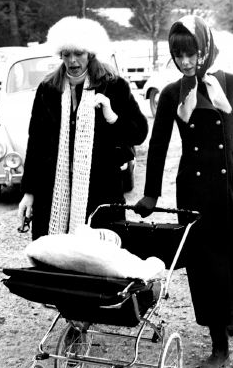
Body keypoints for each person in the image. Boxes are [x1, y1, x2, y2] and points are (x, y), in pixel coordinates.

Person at [135, 15, 233, 368]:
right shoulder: (173, 93)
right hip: (196, 191)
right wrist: (151, 193)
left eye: (191, 53)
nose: (186, 62)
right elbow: (158, 146)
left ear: (206, 48)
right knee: (207, 269)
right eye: (178, 56)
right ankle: (219, 345)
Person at [18, 16, 148, 239]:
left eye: (78, 53)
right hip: (53, 193)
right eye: (66, 54)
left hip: (101, 192)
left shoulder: (114, 85)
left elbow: (140, 133)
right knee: (53, 260)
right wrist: (29, 192)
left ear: (90, 53)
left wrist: (112, 117)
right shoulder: (48, 89)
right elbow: (36, 143)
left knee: (99, 262)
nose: (72, 61)